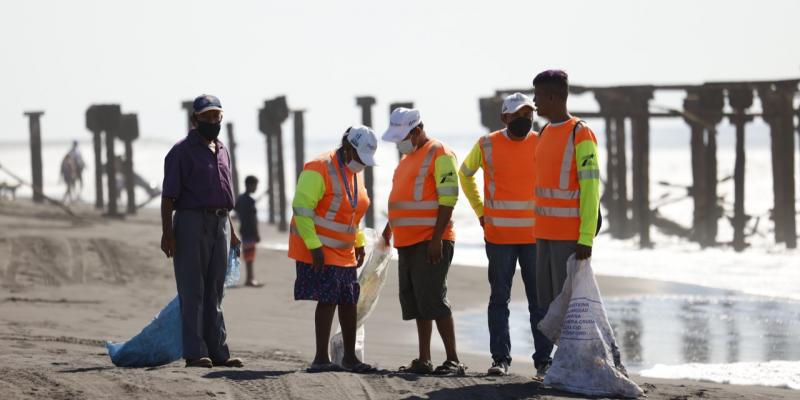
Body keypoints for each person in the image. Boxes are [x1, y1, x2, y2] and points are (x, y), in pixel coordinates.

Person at [458, 93, 553, 378]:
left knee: (539, 302)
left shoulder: (541, 142)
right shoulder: (486, 144)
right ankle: (500, 359)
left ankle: (544, 362)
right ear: (504, 118)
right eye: (518, 115)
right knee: (500, 299)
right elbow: (465, 174)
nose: (525, 120)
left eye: (528, 114)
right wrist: (480, 212)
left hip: (535, 237)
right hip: (498, 237)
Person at [160, 94, 243, 369]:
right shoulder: (181, 151)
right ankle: (196, 353)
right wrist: (167, 234)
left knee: (215, 291)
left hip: (220, 223)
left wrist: (232, 231)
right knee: (193, 289)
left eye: (216, 116)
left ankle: (218, 351)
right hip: (191, 223)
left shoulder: (222, 149)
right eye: (206, 116)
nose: (212, 121)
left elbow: (223, 195)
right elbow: (168, 198)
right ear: (195, 119)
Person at [381, 108, 466, 375]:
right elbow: (401, 199)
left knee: (433, 298)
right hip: (406, 242)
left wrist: (436, 238)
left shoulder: (439, 153)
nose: (399, 142)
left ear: (416, 131)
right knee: (417, 302)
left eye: (403, 136)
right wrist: (388, 229)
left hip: (430, 240)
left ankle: (453, 360)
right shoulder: (407, 159)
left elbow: (448, 197)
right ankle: (424, 358)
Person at [288, 126, 378, 373]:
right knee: (328, 298)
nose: (363, 164)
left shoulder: (353, 172)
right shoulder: (319, 167)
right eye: (360, 158)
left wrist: (358, 241)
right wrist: (314, 246)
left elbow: (352, 212)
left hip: (344, 249)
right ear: (348, 149)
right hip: (320, 246)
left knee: (349, 299)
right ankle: (320, 358)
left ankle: (349, 357)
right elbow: (302, 207)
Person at [532, 69, 601, 311]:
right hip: (543, 234)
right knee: (548, 307)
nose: (534, 101)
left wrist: (586, 237)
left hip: (569, 238)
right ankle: (556, 351)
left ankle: (573, 351)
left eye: (537, 95)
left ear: (552, 97)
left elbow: (591, 188)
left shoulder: (580, 133)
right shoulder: (543, 132)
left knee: (569, 310)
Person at [234, 175, 263, 287]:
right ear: (248, 185)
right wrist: (257, 233)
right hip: (250, 231)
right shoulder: (250, 200)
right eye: (255, 185)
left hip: (243, 230)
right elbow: (253, 219)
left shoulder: (240, 198)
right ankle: (250, 279)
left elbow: (236, 210)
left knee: (248, 254)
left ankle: (250, 278)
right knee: (250, 255)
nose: (256, 188)